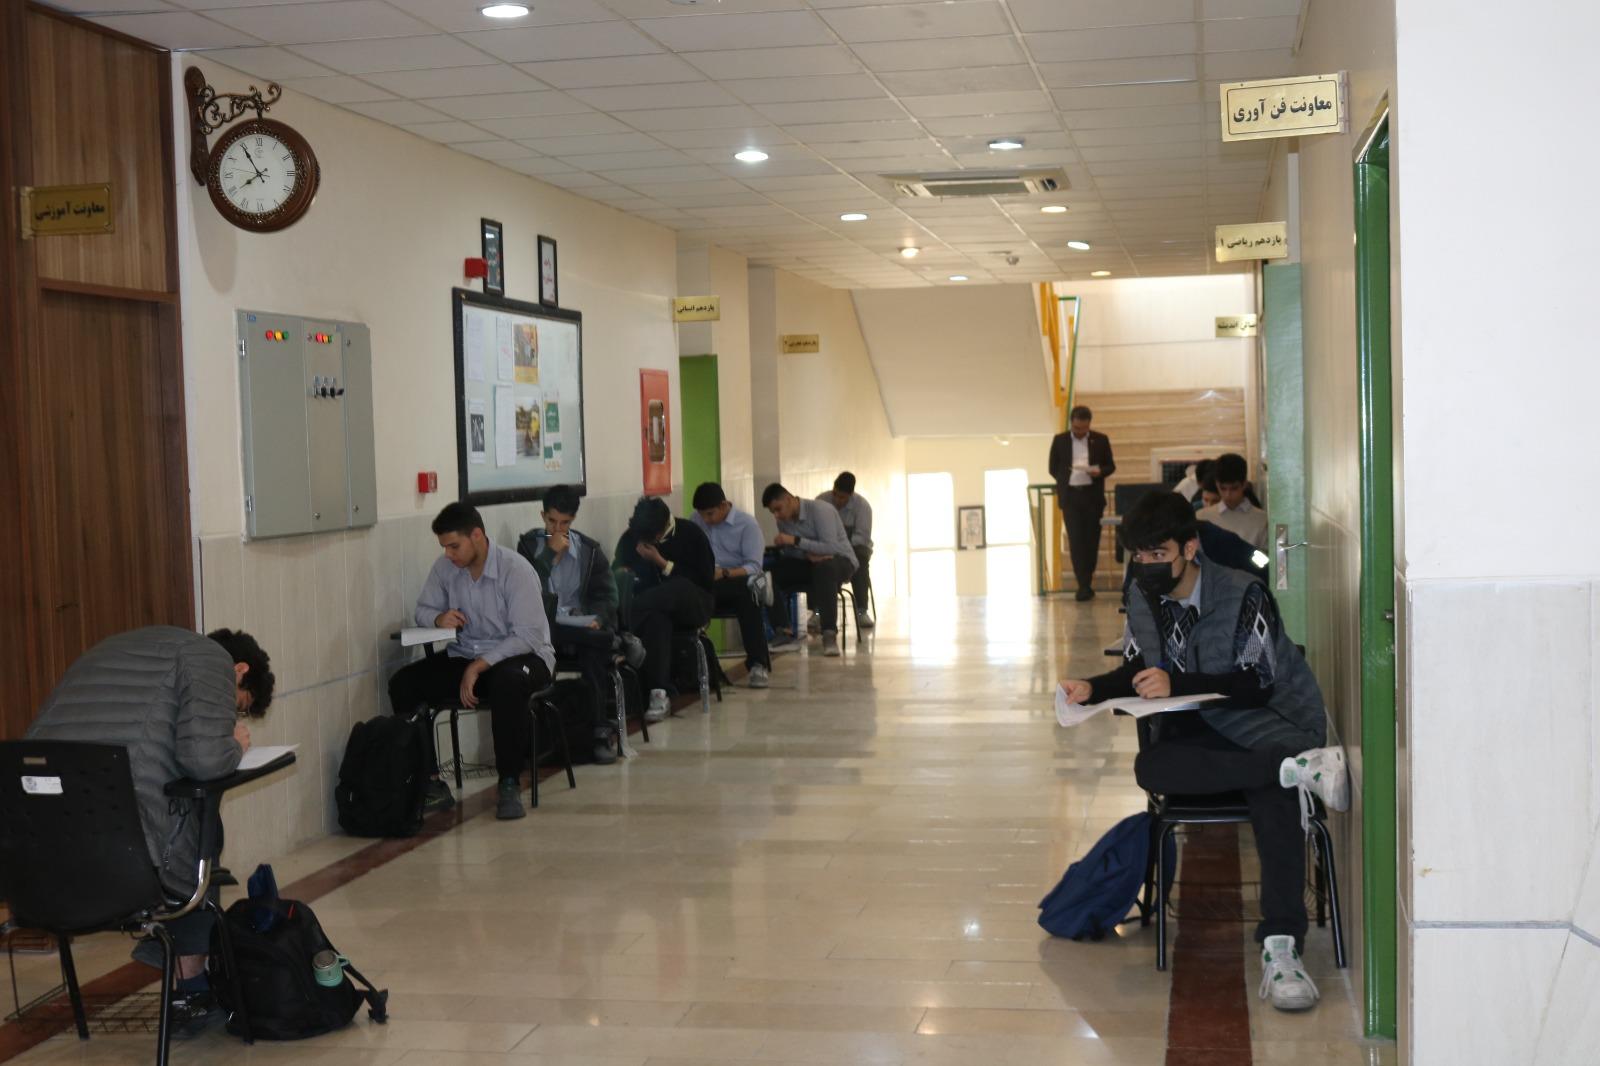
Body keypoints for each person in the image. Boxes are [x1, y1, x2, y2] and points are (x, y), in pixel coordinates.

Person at [1059, 492, 1346, 1013]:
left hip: (1268, 722)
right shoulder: (1143, 596)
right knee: (1152, 766)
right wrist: (1092, 689)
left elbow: (1256, 683)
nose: (1146, 566)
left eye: (1158, 554)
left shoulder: (1243, 592)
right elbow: (1137, 668)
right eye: (1139, 556)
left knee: (1273, 797)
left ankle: (1282, 946)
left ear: (1190, 548)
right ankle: (1293, 771)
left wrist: (1177, 683)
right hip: (1207, 730)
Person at [27, 625, 275, 1033]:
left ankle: (170, 956)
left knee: (173, 827)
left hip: (39, 858)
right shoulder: (212, 660)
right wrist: (235, 744)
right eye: (239, 707)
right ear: (239, 671)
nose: (231, 715)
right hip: (125, 861)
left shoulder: (107, 649)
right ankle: (189, 988)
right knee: (202, 832)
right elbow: (204, 760)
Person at [389, 502, 555, 821]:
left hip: (524, 657)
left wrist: (479, 666)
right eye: (444, 547)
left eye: (454, 546)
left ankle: (509, 782)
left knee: (508, 682)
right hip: (466, 655)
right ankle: (430, 781)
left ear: (476, 535)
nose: (448, 554)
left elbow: (528, 636)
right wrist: (438, 618)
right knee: (404, 684)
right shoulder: (445, 568)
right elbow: (422, 609)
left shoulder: (515, 569)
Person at [517, 484, 621, 765]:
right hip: (544, 630)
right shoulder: (528, 547)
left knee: (593, 650)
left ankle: (599, 732)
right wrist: (548, 556)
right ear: (543, 516)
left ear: (573, 520)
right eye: (552, 521)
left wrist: (598, 618)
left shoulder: (589, 551)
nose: (557, 529)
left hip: (578, 630)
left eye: (564, 523)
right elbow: (525, 589)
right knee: (598, 643)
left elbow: (608, 596)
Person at [613, 496, 715, 722]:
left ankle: (622, 629)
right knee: (658, 620)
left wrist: (661, 562)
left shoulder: (691, 534)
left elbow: (705, 581)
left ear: (660, 532)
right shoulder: (631, 537)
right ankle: (659, 692)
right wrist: (623, 574)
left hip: (694, 605)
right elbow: (616, 573)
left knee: (680, 586)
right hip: (654, 610)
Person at [691, 482, 773, 689]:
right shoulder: (696, 521)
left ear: (723, 505)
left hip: (736, 580)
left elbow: (754, 566)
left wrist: (724, 573)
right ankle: (699, 666)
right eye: (702, 515)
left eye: (710, 514)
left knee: (748, 595)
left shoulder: (747, 525)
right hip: (707, 584)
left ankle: (758, 664)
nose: (706, 520)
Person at [762, 482, 856, 658]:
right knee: (768, 576)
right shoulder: (783, 521)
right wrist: (807, 555)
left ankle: (829, 634)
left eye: (778, 509)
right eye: (773, 512)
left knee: (825, 569)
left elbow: (831, 547)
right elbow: (791, 551)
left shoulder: (821, 510)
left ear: (788, 499)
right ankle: (784, 632)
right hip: (810, 562)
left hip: (841, 560)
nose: (776, 515)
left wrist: (797, 541)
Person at [1048, 404, 1116, 601]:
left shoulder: (1100, 440)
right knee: (1076, 541)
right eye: (1077, 428)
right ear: (1071, 423)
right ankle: (1083, 585)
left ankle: (1087, 580)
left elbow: (1110, 466)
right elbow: (1053, 467)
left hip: (1092, 497)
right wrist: (1065, 479)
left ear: (1089, 424)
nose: (1080, 432)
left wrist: (1099, 472)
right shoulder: (1060, 440)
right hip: (1071, 497)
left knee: (1091, 541)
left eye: (1084, 428)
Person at [819, 471, 874, 630]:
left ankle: (861, 611)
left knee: (859, 561)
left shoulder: (862, 507)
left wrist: (841, 546)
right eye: (835, 494)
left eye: (842, 497)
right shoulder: (821, 501)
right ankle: (817, 612)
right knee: (818, 563)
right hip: (828, 546)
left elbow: (862, 537)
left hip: (855, 547)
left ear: (851, 495)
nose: (837, 500)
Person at [1199, 452, 1269, 550]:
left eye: (1234, 488)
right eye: (1223, 488)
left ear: (1244, 484)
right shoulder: (1202, 517)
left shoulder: (1261, 520)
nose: (1228, 495)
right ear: (1217, 484)